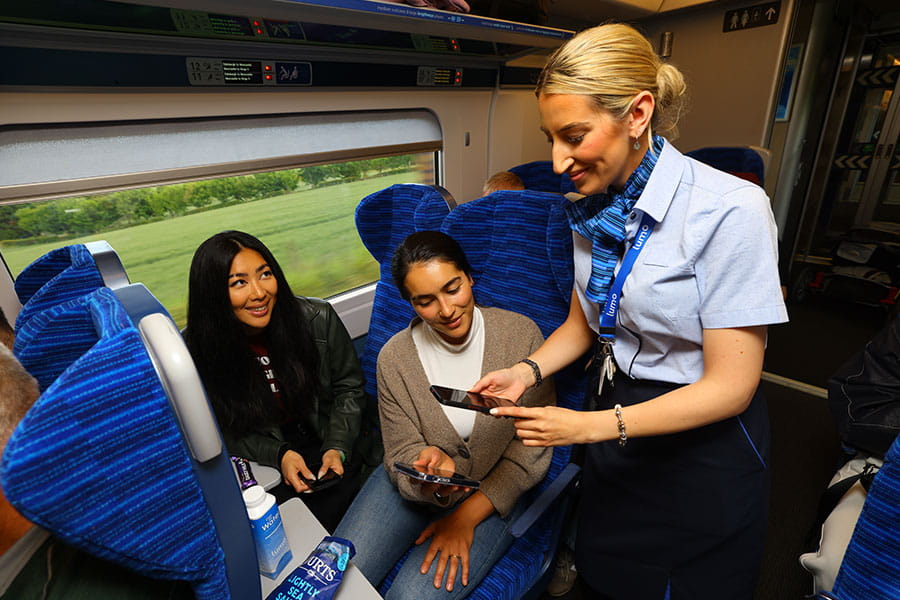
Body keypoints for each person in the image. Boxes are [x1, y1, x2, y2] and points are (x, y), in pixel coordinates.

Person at [471, 23, 789, 600]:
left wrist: (590, 428)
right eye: (550, 138)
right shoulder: (591, 208)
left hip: (700, 446)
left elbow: (732, 386)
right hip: (615, 422)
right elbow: (582, 325)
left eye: (574, 135)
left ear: (638, 113)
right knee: (606, 578)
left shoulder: (729, 210)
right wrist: (526, 372)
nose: (559, 161)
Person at [333, 231, 555, 599]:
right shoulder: (394, 359)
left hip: (494, 487)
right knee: (336, 582)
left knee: (411, 597)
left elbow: (532, 447)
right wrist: (424, 468)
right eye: (426, 301)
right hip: (416, 490)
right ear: (411, 304)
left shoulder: (522, 336)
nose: (446, 310)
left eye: (453, 288)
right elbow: (401, 449)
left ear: (469, 277)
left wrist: (464, 518)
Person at [184, 230, 376, 532]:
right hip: (264, 455)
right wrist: (279, 455)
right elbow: (219, 427)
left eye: (265, 274)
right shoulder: (195, 352)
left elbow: (348, 389)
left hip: (330, 437)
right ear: (213, 295)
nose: (259, 293)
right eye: (239, 283)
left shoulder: (317, 318)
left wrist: (337, 446)